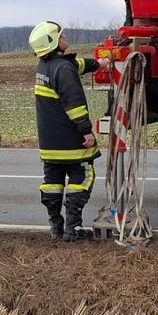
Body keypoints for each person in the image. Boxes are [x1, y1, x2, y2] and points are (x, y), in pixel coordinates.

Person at [29, 21, 109, 241]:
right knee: (82, 178)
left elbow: (77, 64)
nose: (65, 38)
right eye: (61, 36)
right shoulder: (63, 69)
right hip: (71, 142)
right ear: (54, 43)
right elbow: (74, 105)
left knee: (52, 183)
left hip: (50, 144)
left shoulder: (46, 66)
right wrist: (86, 132)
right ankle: (72, 229)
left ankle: (56, 228)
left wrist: (99, 64)